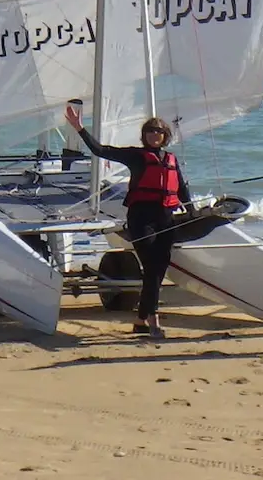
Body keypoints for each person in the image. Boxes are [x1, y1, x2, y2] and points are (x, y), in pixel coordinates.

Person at [65, 101, 188, 339]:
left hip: (166, 219)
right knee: (152, 267)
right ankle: (153, 318)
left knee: (159, 269)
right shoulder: (136, 156)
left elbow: (182, 190)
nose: (155, 135)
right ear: (144, 136)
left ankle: (140, 319)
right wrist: (80, 129)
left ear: (166, 136)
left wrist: (195, 212)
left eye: (159, 131)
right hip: (142, 218)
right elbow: (101, 150)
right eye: (150, 131)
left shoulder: (170, 159)